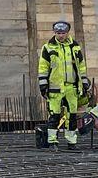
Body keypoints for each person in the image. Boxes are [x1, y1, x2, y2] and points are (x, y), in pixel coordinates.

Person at [37, 19, 88, 147]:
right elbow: (43, 67)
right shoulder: (48, 48)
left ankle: (71, 141)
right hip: (55, 87)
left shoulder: (74, 47)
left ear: (67, 33)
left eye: (63, 33)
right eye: (58, 33)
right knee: (54, 115)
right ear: (54, 33)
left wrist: (84, 82)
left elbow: (81, 66)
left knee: (72, 116)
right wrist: (43, 85)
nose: (60, 35)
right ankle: (52, 140)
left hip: (72, 86)